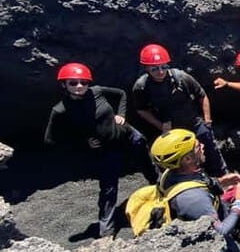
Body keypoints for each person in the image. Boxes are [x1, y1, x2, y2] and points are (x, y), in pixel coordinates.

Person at [45, 62, 158, 238]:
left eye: (83, 82)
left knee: (145, 158)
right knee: (109, 187)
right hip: (106, 148)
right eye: (73, 83)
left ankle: (158, 186)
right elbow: (51, 139)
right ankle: (106, 231)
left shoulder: (96, 91)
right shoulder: (60, 110)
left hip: (126, 134)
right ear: (64, 85)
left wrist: (121, 114)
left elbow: (121, 94)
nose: (79, 86)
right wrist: (83, 143)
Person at [132, 44, 228, 177]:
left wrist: (207, 120)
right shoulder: (142, 86)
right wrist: (160, 126)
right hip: (172, 130)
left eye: (163, 67)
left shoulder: (181, 77)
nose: (160, 72)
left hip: (193, 122)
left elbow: (202, 95)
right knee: (179, 160)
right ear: (147, 68)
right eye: (154, 69)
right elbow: (141, 110)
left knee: (211, 150)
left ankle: (223, 177)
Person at [150, 129, 240, 252]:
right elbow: (219, 232)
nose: (202, 146)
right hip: (211, 250)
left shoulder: (171, 173)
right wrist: (239, 203)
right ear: (188, 159)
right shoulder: (193, 198)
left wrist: (220, 182)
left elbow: (195, 180)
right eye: (197, 146)